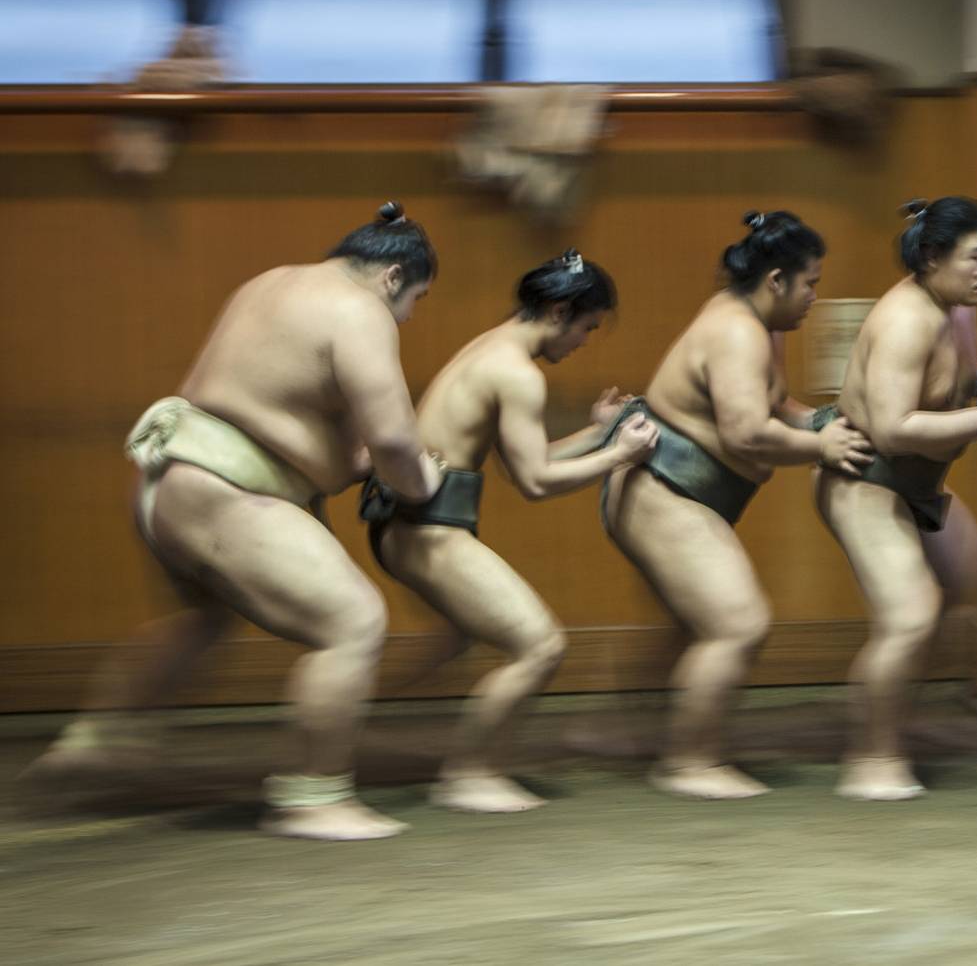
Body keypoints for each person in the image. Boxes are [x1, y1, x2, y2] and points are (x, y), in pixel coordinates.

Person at [31, 202, 444, 841]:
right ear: (392, 277)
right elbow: (393, 439)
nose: (408, 316)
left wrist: (349, 463)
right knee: (353, 623)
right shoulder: (359, 308)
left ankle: (101, 735)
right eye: (414, 299)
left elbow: (284, 410)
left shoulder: (271, 282)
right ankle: (312, 796)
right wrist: (421, 481)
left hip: (167, 481)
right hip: (227, 494)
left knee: (202, 617)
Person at [363, 250, 657, 813]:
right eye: (586, 328)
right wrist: (619, 455)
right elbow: (536, 483)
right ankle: (469, 775)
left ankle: (355, 713)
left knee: (456, 638)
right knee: (539, 645)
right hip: (427, 530)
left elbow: (530, 458)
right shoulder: (517, 373)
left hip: (407, 523)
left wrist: (600, 436)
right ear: (558, 311)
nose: (584, 343)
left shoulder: (491, 350)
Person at [600, 211, 872, 800]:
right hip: (663, 491)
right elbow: (748, 432)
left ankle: (649, 739)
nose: (814, 297)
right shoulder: (736, 331)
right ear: (776, 280)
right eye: (810, 283)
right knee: (737, 624)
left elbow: (775, 404)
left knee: (694, 627)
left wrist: (819, 420)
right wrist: (820, 444)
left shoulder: (753, 325)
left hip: (677, 493)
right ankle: (688, 762)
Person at [813, 198, 977, 801]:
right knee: (910, 615)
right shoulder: (906, 320)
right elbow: (891, 428)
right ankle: (871, 756)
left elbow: (961, 379)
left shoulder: (955, 307)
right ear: (933, 256)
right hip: (867, 479)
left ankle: (929, 711)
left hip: (920, 486)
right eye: (976, 258)